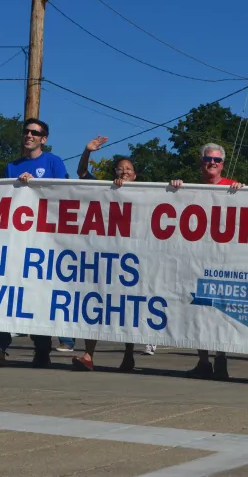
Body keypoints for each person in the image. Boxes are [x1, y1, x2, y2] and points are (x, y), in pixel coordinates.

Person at [0, 119, 68, 368]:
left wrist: (35, 186)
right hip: (16, 239)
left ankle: (42, 348)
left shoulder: (53, 162)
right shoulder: (11, 166)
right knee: (7, 291)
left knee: (37, 294)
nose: (28, 135)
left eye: (34, 133)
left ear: (43, 138)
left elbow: (65, 195)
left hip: (45, 239)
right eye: (26, 132)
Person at [72, 136, 149, 371]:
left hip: (132, 258)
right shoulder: (104, 190)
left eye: (129, 169)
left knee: (129, 307)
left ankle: (128, 355)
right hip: (104, 256)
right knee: (94, 302)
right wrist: (87, 151)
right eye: (120, 168)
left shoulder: (147, 195)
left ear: (135, 176)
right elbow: (82, 173)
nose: (124, 172)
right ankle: (88, 355)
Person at [171, 143, 245, 381]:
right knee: (198, 311)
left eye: (216, 160)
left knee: (220, 309)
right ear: (201, 162)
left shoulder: (233, 188)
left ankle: (221, 356)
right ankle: (203, 361)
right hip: (196, 259)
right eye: (207, 159)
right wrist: (175, 189)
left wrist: (243, 192)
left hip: (224, 261)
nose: (212, 163)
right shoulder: (189, 188)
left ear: (222, 164)